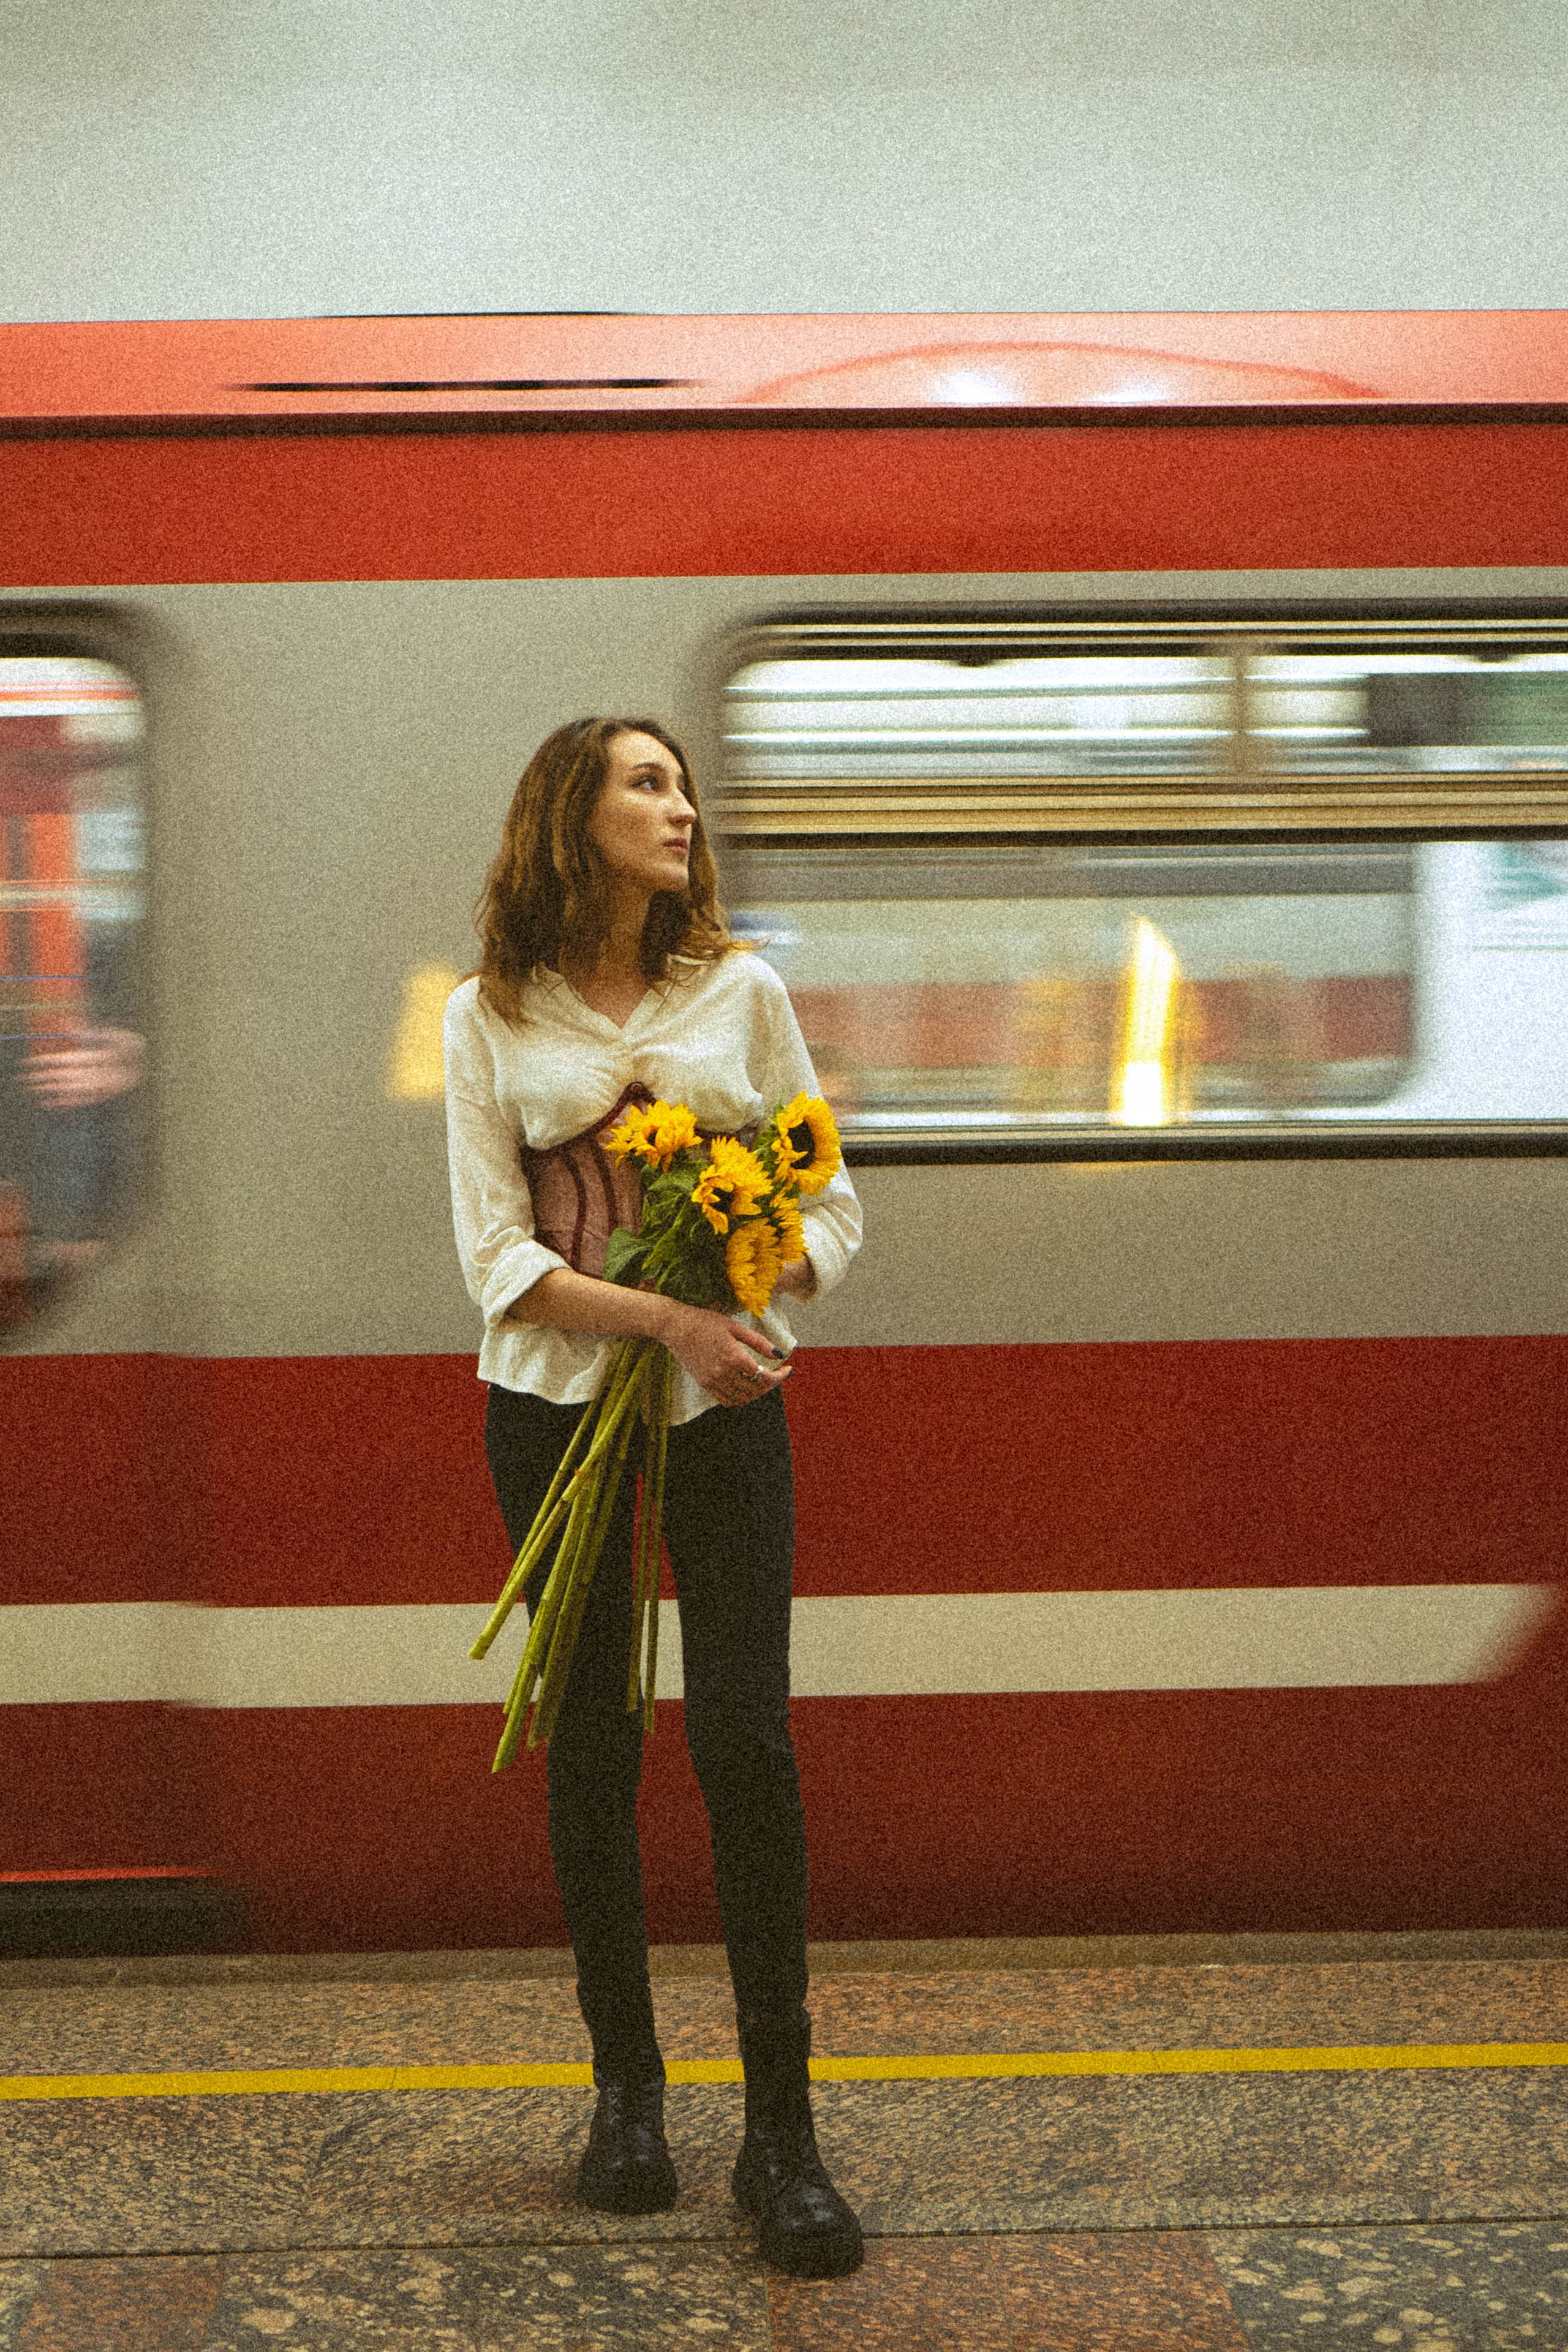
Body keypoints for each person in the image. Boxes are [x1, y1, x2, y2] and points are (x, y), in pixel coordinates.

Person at [441, 716, 865, 2278]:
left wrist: (757, 1273)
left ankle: (781, 2134)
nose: (681, 807)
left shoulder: (740, 993)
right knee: (596, 1746)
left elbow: (827, 1196)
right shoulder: (491, 1014)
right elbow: (497, 1264)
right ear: (571, 812)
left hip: (723, 1420)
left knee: (746, 1741)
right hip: (550, 1419)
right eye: (646, 783)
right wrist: (663, 1315)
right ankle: (626, 2097)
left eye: (682, 785)